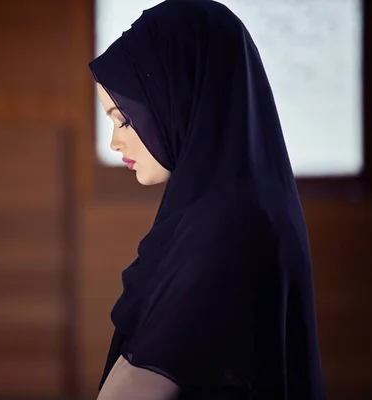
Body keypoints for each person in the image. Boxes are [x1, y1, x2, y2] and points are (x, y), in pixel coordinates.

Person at [89, 1, 326, 399]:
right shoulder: (239, 211)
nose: (115, 143)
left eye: (124, 119)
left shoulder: (226, 231)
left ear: (180, 96)